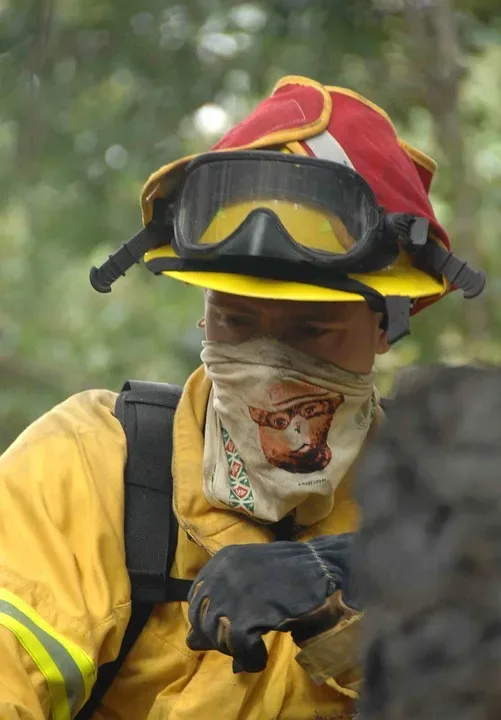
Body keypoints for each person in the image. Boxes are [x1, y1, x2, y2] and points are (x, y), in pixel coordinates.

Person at [0, 75, 485, 720]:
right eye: (236, 319)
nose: (269, 360)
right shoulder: (89, 469)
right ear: (204, 314)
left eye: (312, 328)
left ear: (385, 326)